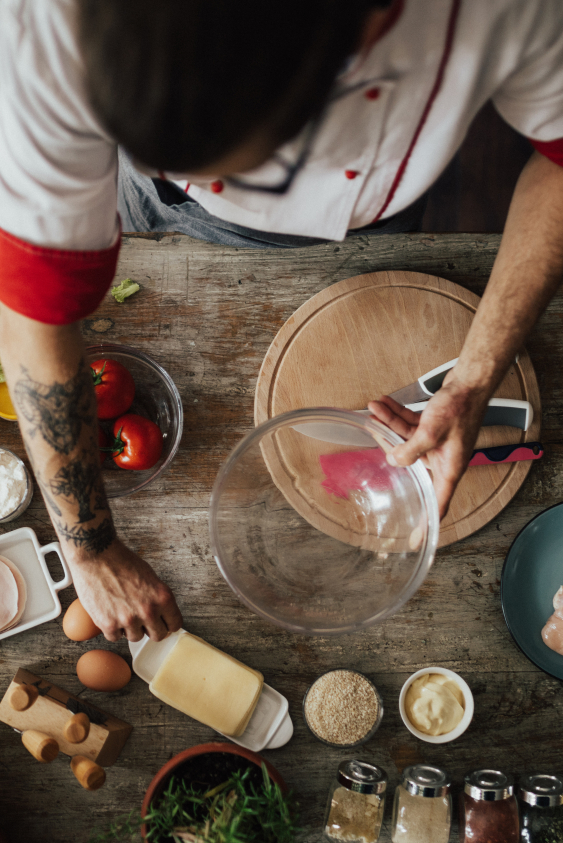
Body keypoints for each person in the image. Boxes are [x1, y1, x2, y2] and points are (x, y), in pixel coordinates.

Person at [1, 0, 562, 642]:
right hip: (171, 207)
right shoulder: (39, 31)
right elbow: (32, 318)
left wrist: (475, 379)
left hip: (378, 213)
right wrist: (90, 548)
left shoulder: (511, 10)